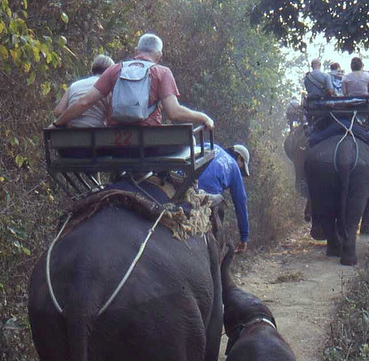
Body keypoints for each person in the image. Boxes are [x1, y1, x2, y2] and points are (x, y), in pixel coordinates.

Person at [51, 34, 213, 130]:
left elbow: (84, 102)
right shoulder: (162, 72)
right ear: (159, 55)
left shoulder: (115, 69)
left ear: (136, 52)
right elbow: (174, 113)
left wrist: (57, 124)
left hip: (116, 144)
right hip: (148, 145)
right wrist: (203, 117)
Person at [198, 144, 251, 253]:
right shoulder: (234, 167)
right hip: (206, 198)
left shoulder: (210, 145)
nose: (240, 171)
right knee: (217, 240)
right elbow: (241, 202)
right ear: (240, 157)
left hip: (182, 184)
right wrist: (244, 237)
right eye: (242, 166)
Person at [53, 54, 114, 128]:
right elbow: (111, 118)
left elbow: (58, 111)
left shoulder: (74, 85)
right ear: (110, 72)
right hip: (96, 133)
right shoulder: (108, 87)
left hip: (71, 132)